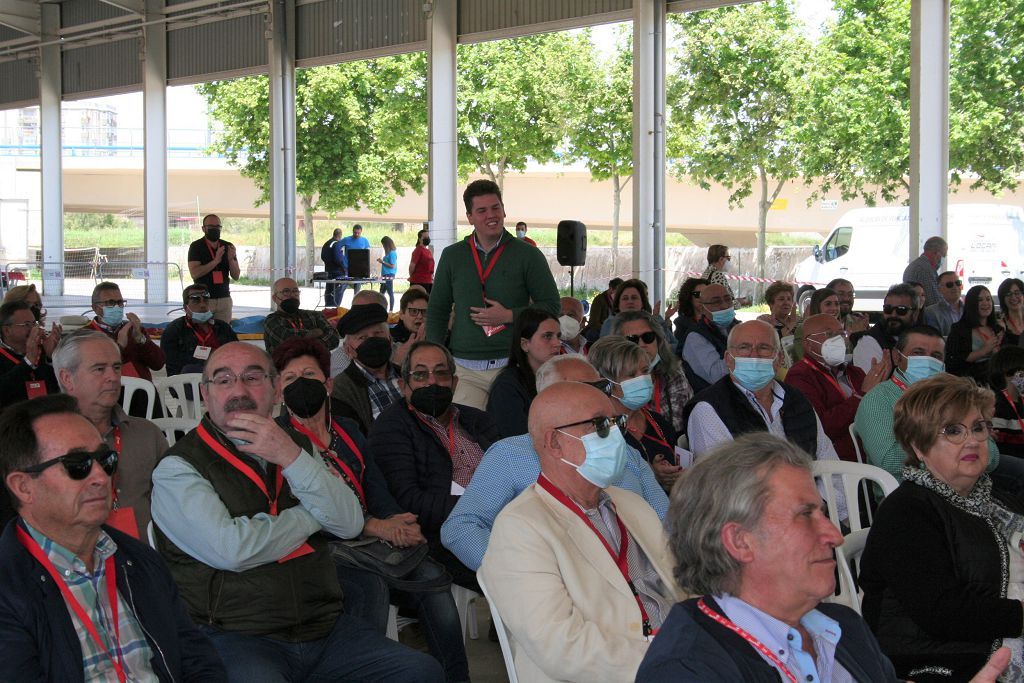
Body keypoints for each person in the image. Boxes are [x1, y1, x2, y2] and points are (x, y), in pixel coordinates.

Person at [150, 342, 443, 683]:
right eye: (224, 380)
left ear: (276, 391)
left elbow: (348, 523)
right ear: (205, 394)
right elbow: (234, 550)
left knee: (421, 673)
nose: (239, 391)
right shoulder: (178, 468)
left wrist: (290, 457)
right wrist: (310, 516)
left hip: (323, 627)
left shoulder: (295, 446)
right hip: (236, 633)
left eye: (253, 377)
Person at [639, 433, 952, 683]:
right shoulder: (688, 668)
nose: (834, 536)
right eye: (806, 515)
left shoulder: (843, 627)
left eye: (824, 513)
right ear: (740, 541)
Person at [271, 338, 469, 682]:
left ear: (328, 384)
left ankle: (456, 678)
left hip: (373, 541)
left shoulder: (346, 430)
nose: (301, 384)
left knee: (433, 580)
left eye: (309, 374)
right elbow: (301, 510)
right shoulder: (277, 441)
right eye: (290, 379)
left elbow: (375, 484)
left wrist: (396, 520)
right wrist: (375, 526)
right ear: (277, 391)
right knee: (369, 586)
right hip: (322, 550)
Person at [0, 394, 226, 681]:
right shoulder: (10, 588)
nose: (100, 477)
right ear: (23, 487)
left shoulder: (138, 560)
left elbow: (197, 659)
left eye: (106, 460)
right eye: (77, 464)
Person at [479, 381, 684, 683]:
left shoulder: (632, 505)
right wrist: (666, 660)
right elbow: (562, 647)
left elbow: (684, 585)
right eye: (600, 425)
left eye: (617, 422)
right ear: (554, 442)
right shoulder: (520, 528)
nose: (615, 435)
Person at [859, 374, 1024, 681]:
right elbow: (941, 612)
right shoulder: (907, 511)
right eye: (953, 431)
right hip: (936, 657)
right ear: (918, 447)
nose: (972, 440)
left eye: (978, 427)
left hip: (987, 638)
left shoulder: (994, 499)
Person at [441, 353, 670, 572]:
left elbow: (664, 522)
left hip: (639, 580)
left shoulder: (625, 452)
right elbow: (461, 526)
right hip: (557, 582)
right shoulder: (510, 455)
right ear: (549, 400)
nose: (596, 397)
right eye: (580, 389)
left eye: (600, 387)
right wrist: (514, 573)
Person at [683, 321, 848, 519]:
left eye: (764, 347)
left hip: (812, 515)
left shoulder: (797, 400)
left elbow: (831, 467)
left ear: (778, 359)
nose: (754, 355)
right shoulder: (709, 409)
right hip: (748, 525)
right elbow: (725, 487)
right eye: (744, 347)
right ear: (728, 359)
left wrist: (816, 504)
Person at [370, 340, 499, 591]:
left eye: (441, 373)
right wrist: (482, 508)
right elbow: (408, 500)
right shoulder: (391, 426)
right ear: (403, 386)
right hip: (441, 535)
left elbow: (507, 474)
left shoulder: (478, 421)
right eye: (420, 374)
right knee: (519, 574)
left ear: (455, 382)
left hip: (502, 521)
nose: (432, 382)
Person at [425, 179, 559, 410]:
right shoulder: (452, 255)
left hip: (513, 365)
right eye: (482, 210)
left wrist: (509, 316)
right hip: (464, 369)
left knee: (513, 434)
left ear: (504, 210)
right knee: (470, 435)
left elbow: (552, 306)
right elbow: (438, 310)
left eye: (496, 207)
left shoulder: (528, 255)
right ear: (470, 217)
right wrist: (434, 357)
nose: (491, 215)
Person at [54, 330, 169, 540]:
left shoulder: (147, 434)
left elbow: (175, 501)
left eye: (116, 367)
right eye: (99, 369)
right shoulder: (46, 442)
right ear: (67, 378)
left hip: (146, 557)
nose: (113, 377)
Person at [853, 325, 1004, 482]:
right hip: (911, 494)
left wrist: (939, 448)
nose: (928, 360)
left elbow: (991, 455)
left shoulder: (956, 396)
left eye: (936, 356)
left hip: (969, 485)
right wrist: (957, 449)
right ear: (897, 357)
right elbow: (890, 461)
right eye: (918, 353)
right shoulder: (878, 399)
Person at [785, 313, 890, 462]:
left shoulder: (855, 372)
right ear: (808, 344)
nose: (838, 339)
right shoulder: (800, 376)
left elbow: (876, 414)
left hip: (870, 456)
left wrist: (881, 387)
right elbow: (820, 427)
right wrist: (861, 396)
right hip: (836, 466)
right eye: (829, 334)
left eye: (841, 333)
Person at [590, 336, 680, 492]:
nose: (643, 379)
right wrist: (651, 475)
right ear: (606, 383)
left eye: (645, 371)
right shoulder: (599, 431)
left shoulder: (657, 421)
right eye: (631, 375)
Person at [612, 310, 693, 436]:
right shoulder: (609, 383)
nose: (642, 344)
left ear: (658, 341)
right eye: (632, 339)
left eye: (648, 337)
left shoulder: (673, 375)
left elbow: (680, 427)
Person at [486, 307, 561, 438]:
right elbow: (515, 438)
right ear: (525, 344)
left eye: (558, 336)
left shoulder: (559, 377)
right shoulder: (506, 387)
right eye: (547, 336)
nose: (557, 343)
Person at [331, 302, 402, 435]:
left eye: (378, 333)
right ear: (348, 350)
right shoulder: (341, 390)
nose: (372, 341)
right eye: (362, 337)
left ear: (390, 339)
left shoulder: (407, 375)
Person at [87, 282, 166, 381]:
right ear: (95, 308)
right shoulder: (86, 335)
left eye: (120, 302)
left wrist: (141, 340)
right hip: (107, 392)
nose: (117, 307)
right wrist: (119, 346)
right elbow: (95, 369)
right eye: (110, 303)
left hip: (141, 392)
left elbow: (158, 364)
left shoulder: (134, 329)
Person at [160, 284, 238, 376]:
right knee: (189, 369)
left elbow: (236, 354)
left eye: (205, 300)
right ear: (186, 308)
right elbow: (173, 363)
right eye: (196, 301)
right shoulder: (173, 331)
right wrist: (211, 356)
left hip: (222, 378)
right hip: (187, 381)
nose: (202, 305)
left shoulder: (223, 328)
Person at [675, 283, 739, 392]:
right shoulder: (695, 337)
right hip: (713, 401)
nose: (724, 305)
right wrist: (744, 348)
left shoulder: (736, 327)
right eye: (716, 302)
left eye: (728, 299)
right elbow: (717, 376)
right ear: (702, 308)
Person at [0, 301, 60, 409]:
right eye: (27, 324)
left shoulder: (41, 350)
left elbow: (56, 390)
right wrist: (27, 363)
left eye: (34, 323)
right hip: (12, 421)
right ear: (7, 330)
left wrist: (50, 357)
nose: (33, 329)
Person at [262, 277, 341, 357]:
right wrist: (315, 333)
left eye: (295, 291)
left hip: (317, 367)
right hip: (285, 368)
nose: (292, 295)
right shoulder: (271, 321)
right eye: (286, 291)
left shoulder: (315, 315)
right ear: (275, 298)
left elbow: (334, 338)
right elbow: (288, 341)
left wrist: (304, 341)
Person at [851, 283, 919, 375]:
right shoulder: (869, 342)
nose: (893, 315)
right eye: (888, 309)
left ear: (915, 313)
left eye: (901, 310)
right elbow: (872, 385)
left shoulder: (923, 338)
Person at [946, 285, 1004, 386]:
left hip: (999, 377)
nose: (985, 303)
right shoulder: (959, 329)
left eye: (988, 299)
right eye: (980, 300)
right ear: (971, 304)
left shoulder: (998, 328)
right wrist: (984, 350)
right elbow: (954, 361)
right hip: (973, 382)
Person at [187, 213, 239, 322]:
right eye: (211, 227)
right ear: (203, 228)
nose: (215, 229)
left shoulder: (228, 246)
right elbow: (195, 273)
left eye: (217, 227)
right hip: (203, 299)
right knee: (202, 332)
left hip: (224, 298)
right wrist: (215, 261)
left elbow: (236, 275)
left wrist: (230, 259)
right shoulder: (196, 247)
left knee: (223, 333)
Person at [598, 278, 673, 339]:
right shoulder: (610, 323)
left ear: (642, 302)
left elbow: (669, 345)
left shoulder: (650, 321)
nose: (630, 301)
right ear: (618, 303)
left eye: (634, 298)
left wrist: (661, 320)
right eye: (625, 298)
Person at [991, 346, 1024, 459]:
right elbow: (1004, 448)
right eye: (1022, 373)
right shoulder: (997, 405)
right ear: (1007, 372)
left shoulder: (1021, 400)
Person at [902, 235, 947, 309]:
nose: (943, 259)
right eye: (944, 255)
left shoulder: (918, 265)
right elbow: (933, 301)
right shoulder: (924, 270)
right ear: (936, 253)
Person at [391, 287, 429, 366]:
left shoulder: (434, 339)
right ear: (401, 314)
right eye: (414, 311)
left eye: (424, 312)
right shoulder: (390, 339)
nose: (420, 316)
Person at [334, 224, 371, 303]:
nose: (356, 234)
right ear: (352, 231)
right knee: (342, 287)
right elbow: (337, 247)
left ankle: (355, 306)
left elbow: (367, 255)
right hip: (347, 267)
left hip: (359, 269)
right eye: (355, 233)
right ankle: (337, 305)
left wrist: (365, 267)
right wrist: (342, 258)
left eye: (358, 233)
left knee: (357, 290)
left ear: (361, 232)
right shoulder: (346, 239)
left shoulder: (365, 241)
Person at [924, 271, 965, 336]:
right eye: (949, 285)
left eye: (958, 283)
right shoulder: (931, 312)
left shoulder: (970, 309)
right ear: (939, 289)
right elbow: (934, 339)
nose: (955, 287)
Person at [583, 277, 623, 342]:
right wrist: (609, 329)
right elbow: (593, 323)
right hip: (597, 331)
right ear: (611, 289)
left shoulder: (617, 301)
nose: (619, 294)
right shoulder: (599, 300)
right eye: (617, 292)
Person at [321, 228, 343, 306]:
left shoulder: (326, 243)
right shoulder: (337, 244)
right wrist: (344, 267)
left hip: (328, 270)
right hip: (337, 271)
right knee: (339, 288)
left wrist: (328, 264)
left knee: (329, 288)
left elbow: (322, 257)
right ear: (340, 235)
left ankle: (328, 305)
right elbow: (338, 259)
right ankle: (336, 306)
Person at [999, 278, 1024, 346]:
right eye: (1008, 294)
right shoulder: (1000, 326)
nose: (1013, 297)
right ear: (1003, 299)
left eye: (1017, 293)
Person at [409, 228, 434, 293]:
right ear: (420, 239)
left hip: (428, 281)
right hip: (419, 282)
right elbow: (412, 267)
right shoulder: (418, 250)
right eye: (425, 237)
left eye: (427, 236)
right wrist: (411, 276)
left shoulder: (428, 251)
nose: (427, 238)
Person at [377, 235, 398, 311]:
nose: (383, 246)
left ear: (386, 244)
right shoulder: (388, 253)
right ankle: (381, 308)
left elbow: (392, 266)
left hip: (389, 274)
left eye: (383, 244)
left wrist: (382, 262)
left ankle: (391, 310)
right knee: (381, 293)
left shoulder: (392, 253)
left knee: (390, 292)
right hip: (385, 275)